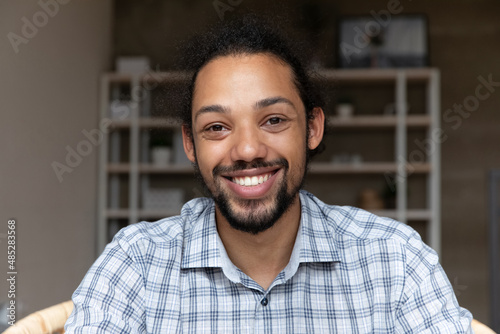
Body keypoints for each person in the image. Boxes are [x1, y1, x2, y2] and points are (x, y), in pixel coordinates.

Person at [65, 15, 473, 333]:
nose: (246, 150)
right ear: (190, 144)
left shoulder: (394, 259)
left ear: (313, 127)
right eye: (217, 128)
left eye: (274, 119)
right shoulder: (136, 262)